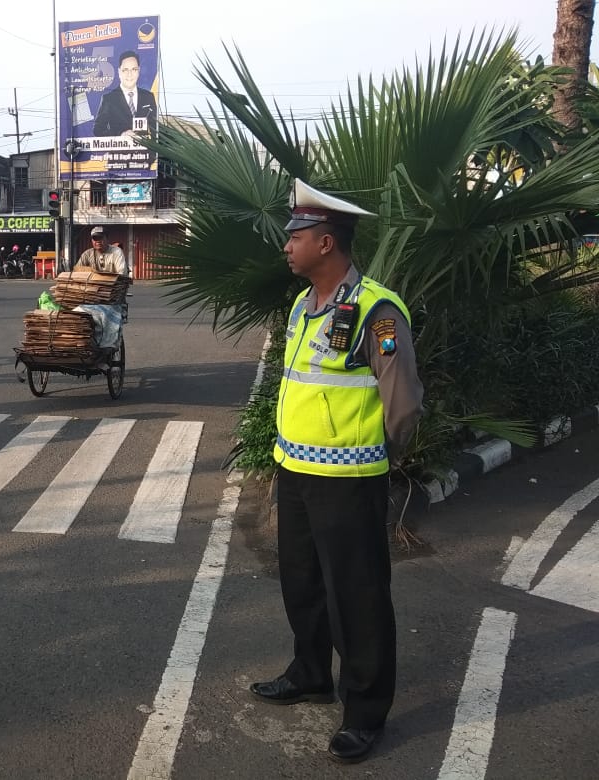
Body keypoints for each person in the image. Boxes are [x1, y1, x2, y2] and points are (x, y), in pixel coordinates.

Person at [250, 179, 424, 765]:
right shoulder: (303, 306)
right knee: (301, 582)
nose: (286, 245)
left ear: (325, 242)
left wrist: (382, 459)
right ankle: (310, 673)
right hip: (297, 470)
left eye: (295, 236)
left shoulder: (377, 311)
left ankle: (365, 712)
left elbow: (403, 401)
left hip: (349, 480)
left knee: (357, 595)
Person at [93, 51, 158, 138]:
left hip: (144, 146)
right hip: (119, 146)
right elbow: (98, 130)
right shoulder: (109, 99)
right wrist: (121, 134)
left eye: (134, 69)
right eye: (125, 70)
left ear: (139, 71)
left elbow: (155, 128)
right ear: (119, 72)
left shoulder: (148, 97)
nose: (129, 74)